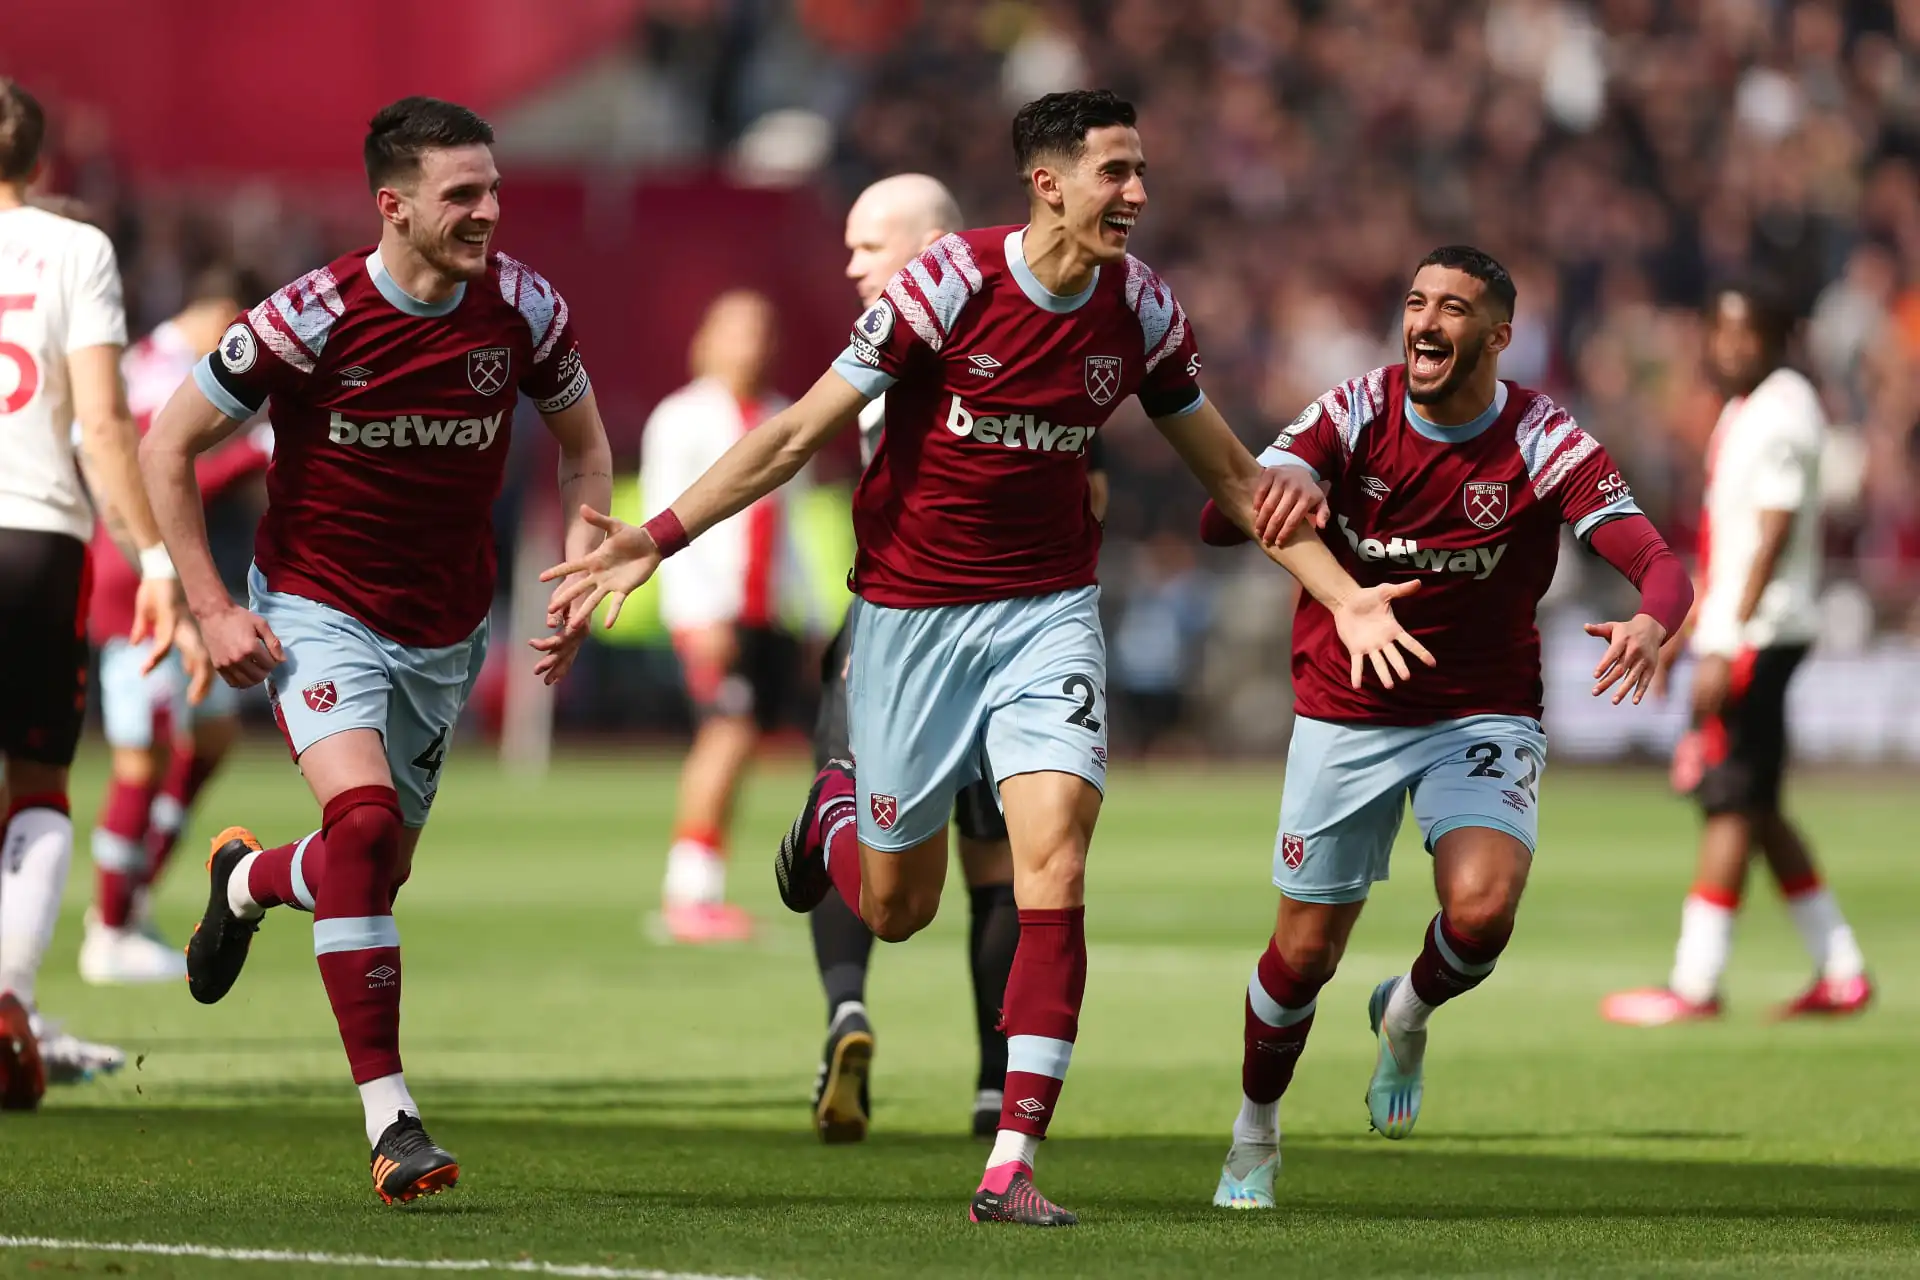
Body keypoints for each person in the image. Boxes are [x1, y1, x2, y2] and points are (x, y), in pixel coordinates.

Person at [546, 90, 1422, 1226]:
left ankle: (1011, 1162)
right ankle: (833, 817)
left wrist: (1344, 596)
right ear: (1048, 182)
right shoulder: (946, 286)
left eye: (1141, 170)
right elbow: (797, 432)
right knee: (900, 908)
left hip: (1047, 615)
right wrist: (657, 539)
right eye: (1116, 171)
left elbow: (1230, 472)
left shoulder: (1142, 307)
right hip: (911, 618)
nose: (1138, 192)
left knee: (1055, 861)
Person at [142, 97, 612, 1203]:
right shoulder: (311, 315)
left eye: (492, 190)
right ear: (392, 207)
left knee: (374, 865)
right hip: (318, 607)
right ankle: (392, 1119)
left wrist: (586, 563)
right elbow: (167, 444)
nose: (487, 213)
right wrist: (210, 606)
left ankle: (249, 879)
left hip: (444, 627)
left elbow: (585, 450)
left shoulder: (526, 308)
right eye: (462, 194)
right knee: (361, 828)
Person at [1196, 246, 1694, 1211]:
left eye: (1453, 309)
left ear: (1498, 336)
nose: (1426, 322)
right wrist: (1288, 486)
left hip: (1481, 706)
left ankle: (1407, 1010)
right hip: (1348, 704)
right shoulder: (1353, 412)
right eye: (1417, 302)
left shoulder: (1542, 439)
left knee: (1482, 912)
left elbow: (1660, 564)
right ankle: (1254, 1132)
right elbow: (1224, 518)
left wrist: (1650, 622)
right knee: (1304, 955)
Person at [807, 173, 1113, 1146]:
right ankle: (989, 1081)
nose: (852, 266)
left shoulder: (920, 340)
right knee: (994, 864)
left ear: (931, 245)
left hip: (917, 627)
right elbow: (1087, 485)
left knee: (904, 836)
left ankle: (847, 1010)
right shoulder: (977, 336)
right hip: (938, 620)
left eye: (869, 245)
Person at [1601, 284, 1869, 1026]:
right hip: (1750, 629)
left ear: (1780, 337)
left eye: (1744, 332)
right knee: (1758, 804)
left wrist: (1728, 639)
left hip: (1759, 635)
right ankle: (1841, 970)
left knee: (1728, 800)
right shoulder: (1747, 408)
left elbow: (1773, 535)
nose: (1728, 346)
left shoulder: (1782, 410)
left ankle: (1696, 983)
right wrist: (1686, 630)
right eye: (1719, 331)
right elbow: (1734, 544)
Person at [0, 78, 189, 1108]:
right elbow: (106, 426)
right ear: (38, 161)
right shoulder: (74, 249)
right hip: (36, 536)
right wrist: (156, 561)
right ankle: (12, 1005)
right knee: (36, 782)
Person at [79, 263, 272, 985]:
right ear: (227, 316)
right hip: (135, 576)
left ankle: (131, 900)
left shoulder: (164, 362)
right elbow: (155, 478)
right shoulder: (159, 373)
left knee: (212, 734)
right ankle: (109, 929)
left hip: (180, 581)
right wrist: (253, 452)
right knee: (144, 754)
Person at [643, 290, 798, 945]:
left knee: (743, 745)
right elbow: (661, 516)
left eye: (762, 331)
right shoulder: (682, 417)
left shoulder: (783, 414)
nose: (752, 345)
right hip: (711, 612)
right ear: (705, 341)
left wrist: (806, 610)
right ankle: (688, 894)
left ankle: (705, 884)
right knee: (726, 736)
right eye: (738, 331)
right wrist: (699, 613)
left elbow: (788, 526)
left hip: (766, 612)